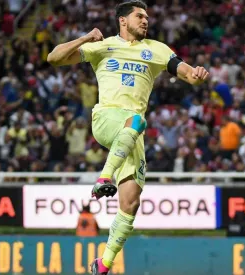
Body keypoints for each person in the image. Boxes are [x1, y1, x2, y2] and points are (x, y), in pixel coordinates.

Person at [47, 1, 209, 274]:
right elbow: (54, 57)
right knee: (136, 120)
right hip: (108, 118)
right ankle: (104, 178)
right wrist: (86, 37)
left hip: (133, 133)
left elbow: (185, 72)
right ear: (123, 20)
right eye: (140, 16)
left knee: (131, 203)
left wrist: (195, 75)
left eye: (147, 17)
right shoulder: (103, 46)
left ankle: (103, 264)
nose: (146, 21)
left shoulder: (157, 49)